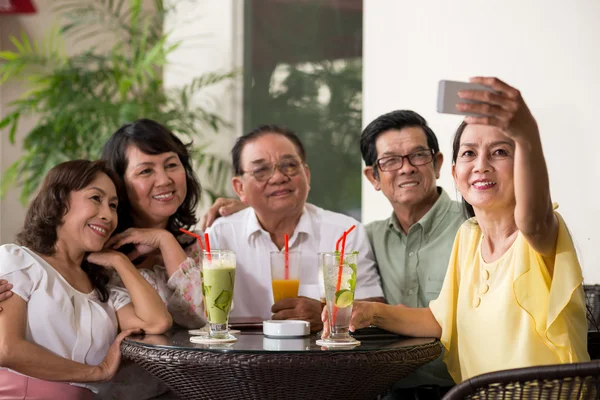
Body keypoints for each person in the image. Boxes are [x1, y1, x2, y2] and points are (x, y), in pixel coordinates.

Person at [324, 77, 590, 383]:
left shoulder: (538, 231)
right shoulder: (469, 236)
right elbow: (440, 319)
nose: (481, 165)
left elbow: (533, 219)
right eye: (468, 153)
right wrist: (369, 312)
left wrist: (526, 132)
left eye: (500, 152)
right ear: (453, 172)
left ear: (523, 165)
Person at [0, 160, 172, 399]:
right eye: (95, 198)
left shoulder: (105, 292)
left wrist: (119, 261)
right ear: (59, 202)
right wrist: (97, 372)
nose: (107, 215)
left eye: (113, 206)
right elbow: (7, 349)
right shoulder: (18, 261)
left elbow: (157, 323)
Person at [207, 124, 385, 331]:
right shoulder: (221, 235)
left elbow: (375, 309)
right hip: (239, 359)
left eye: (289, 165)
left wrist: (325, 312)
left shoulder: (344, 231)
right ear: (239, 188)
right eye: (261, 170)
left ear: (307, 175)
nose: (278, 177)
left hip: (324, 359)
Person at [360, 110, 464, 397]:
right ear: (374, 177)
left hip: (467, 389)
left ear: (438, 163)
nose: (406, 168)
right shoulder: (367, 238)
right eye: (391, 160)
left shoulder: (474, 224)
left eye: (418, 156)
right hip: (388, 392)